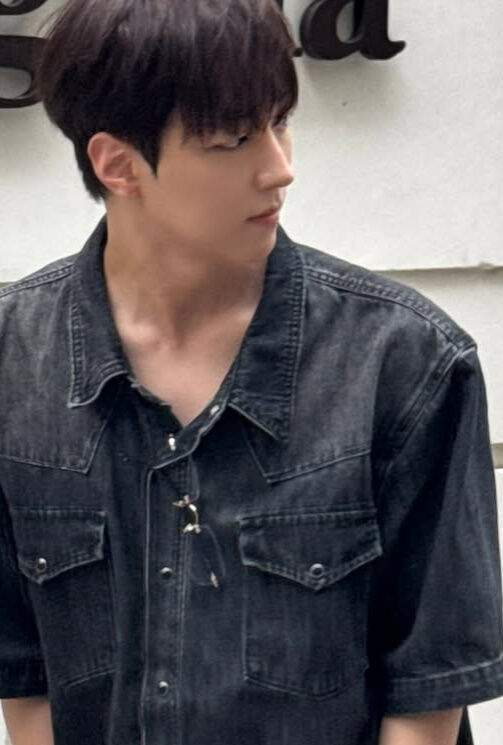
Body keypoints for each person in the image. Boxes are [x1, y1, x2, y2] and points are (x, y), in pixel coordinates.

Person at [1, 1, 502, 744]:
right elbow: (23, 674)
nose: (280, 166)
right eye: (233, 139)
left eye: (280, 122)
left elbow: (426, 695)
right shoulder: (14, 361)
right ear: (118, 164)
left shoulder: (405, 362)